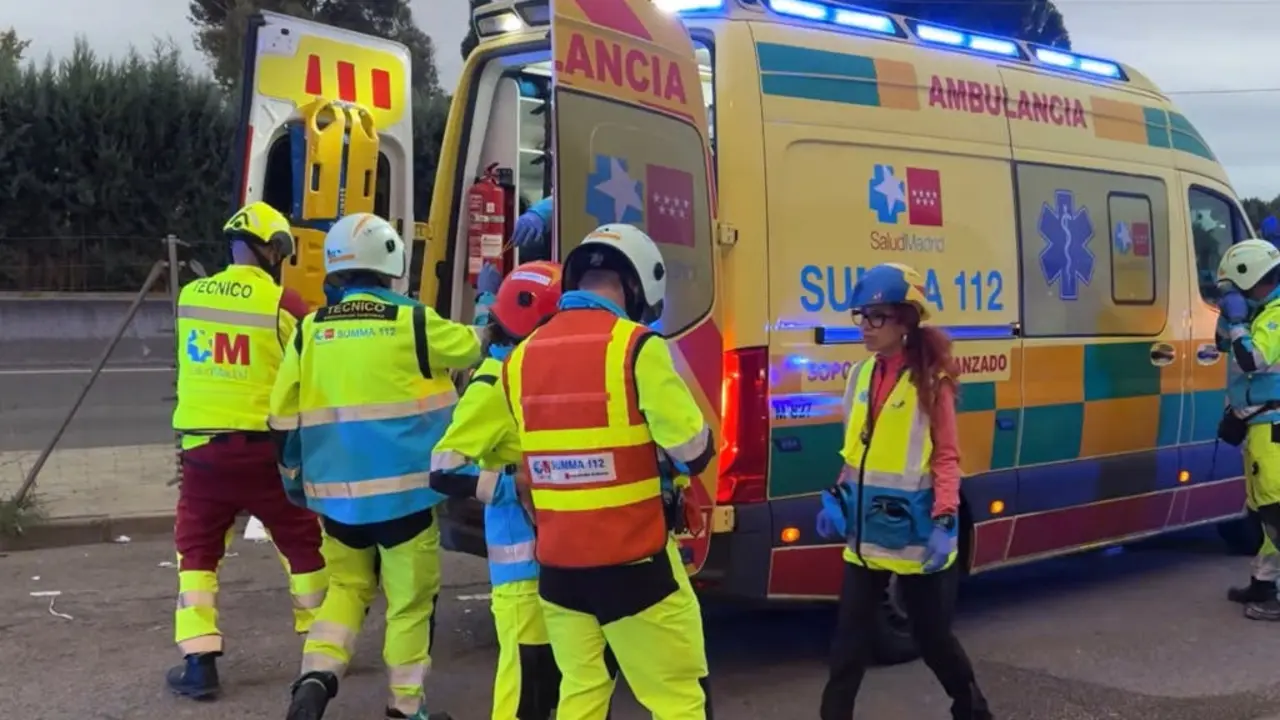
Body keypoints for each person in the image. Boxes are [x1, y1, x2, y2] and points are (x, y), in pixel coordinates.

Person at [491, 224, 715, 719]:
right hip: (634, 563)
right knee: (678, 698)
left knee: (583, 688)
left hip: (558, 568)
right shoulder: (636, 347)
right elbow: (692, 449)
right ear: (635, 286)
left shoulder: (521, 357)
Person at [269, 212, 484, 720]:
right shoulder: (412, 320)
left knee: (345, 592)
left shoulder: (309, 331)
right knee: (410, 603)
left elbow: (280, 419)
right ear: (391, 266)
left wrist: (296, 483)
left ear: (335, 269)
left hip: (337, 500)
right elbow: (473, 344)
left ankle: (314, 681)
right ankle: (404, 708)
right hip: (407, 498)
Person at [429, 260, 621, 719]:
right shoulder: (495, 383)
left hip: (558, 560)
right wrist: (511, 484)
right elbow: (442, 470)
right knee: (526, 695)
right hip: (521, 572)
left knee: (569, 683)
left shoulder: (531, 372)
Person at [816, 263, 992, 720]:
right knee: (847, 647)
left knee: (933, 640)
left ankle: (973, 710)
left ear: (905, 320)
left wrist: (946, 519)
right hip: (864, 533)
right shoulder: (859, 377)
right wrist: (837, 495)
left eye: (876, 317)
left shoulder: (932, 382)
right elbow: (857, 450)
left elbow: (947, 457)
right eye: (862, 316)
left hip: (916, 535)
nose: (865, 328)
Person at [167, 201, 327, 699]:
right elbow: (311, 371)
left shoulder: (191, 296)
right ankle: (324, 644)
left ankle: (199, 663)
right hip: (265, 453)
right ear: (275, 251)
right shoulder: (285, 304)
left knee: (196, 551)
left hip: (202, 454)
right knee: (301, 541)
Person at [1215, 239, 1280, 621]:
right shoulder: (1261, 310)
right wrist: (1229, 320)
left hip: (1273, 427)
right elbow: (1224, 345)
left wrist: (1239, 324)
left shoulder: (1275, 314)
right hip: (1257, 425)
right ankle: (1263, 582)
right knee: (1264, 514)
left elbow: (1253, 358)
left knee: (1276, 512)